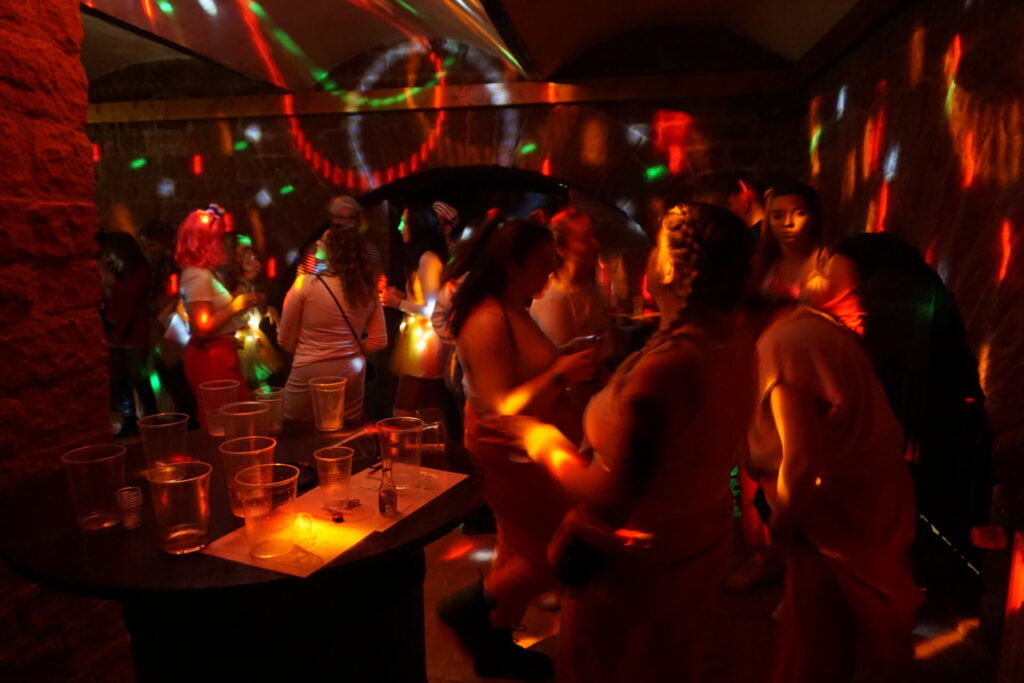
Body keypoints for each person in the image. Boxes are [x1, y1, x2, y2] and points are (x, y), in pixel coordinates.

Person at [481, 203, 755, 683]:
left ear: (669, 268)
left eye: (657, 245)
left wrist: (543, 441)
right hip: (694, 547)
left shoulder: (669, 368)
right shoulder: (733, 340)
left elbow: (608, 497)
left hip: (639, 569)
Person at [437, 219, 598, 681]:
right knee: (562, 547)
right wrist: (561, 373)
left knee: (519, 546)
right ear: (513, 264)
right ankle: (467, 609)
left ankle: (495, 644)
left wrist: (562, 362)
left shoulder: (511, 306)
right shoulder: (487, 318)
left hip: (525, 447)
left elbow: (522, 373)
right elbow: (500, 409)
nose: (551, 272)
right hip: (506, 451)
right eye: (544, 263)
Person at [745, 297, 922, 683]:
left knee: (841, 634)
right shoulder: (805, 326)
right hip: (861, 496)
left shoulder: (781, 346)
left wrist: (779, 532)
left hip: (845, 508)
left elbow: (801, 461)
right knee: (847, 625)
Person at [278, 225, 386, 425]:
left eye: (324, 240)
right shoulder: (367, 289)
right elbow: (379, 341)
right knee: (345, 428)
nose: (317, 242)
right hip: (351, 371)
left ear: (335, 249)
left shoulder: (305, 284)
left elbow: (285, 340)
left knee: (295, 427)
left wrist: (313, 351)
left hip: (310, 369)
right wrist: (347, 350)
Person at [175, 205, 256, 430]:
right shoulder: (197, 275)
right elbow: (200, 328)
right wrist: (235, 306)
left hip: (219, 354)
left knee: (235, 420)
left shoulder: (202, 273)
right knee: (226, 426)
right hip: (211, 359)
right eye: (218, 238)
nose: (221, 244)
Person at [529, 208, 611, 411]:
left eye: (592, 236)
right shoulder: (553, 295)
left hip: (590, 401)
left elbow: (598, 360)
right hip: (565, 408)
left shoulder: (589, 289)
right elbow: (557, 371)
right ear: (561, 250)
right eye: (585, 239)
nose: (595, 244)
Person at [381, 205, 451, 422]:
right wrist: (404, 296)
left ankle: (406, 441)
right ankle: (434, 440)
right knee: (428, 403)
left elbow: (433, 309)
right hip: (420, 337)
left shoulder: (427, 259)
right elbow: (425, 298)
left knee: (406, 405)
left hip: (424, 341)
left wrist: (399, 303)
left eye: (405, 221)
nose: (400, 227)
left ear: (419, 225)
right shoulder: (423, 258)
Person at [98, 231, 157, 434]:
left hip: (134, 332)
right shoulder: (117, 270)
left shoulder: (140, 270)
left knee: (138, 377)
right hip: (115, 332)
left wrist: (112, 283)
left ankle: (151, 418)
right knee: (119, 379)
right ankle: (129, 419)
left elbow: (130, 296)